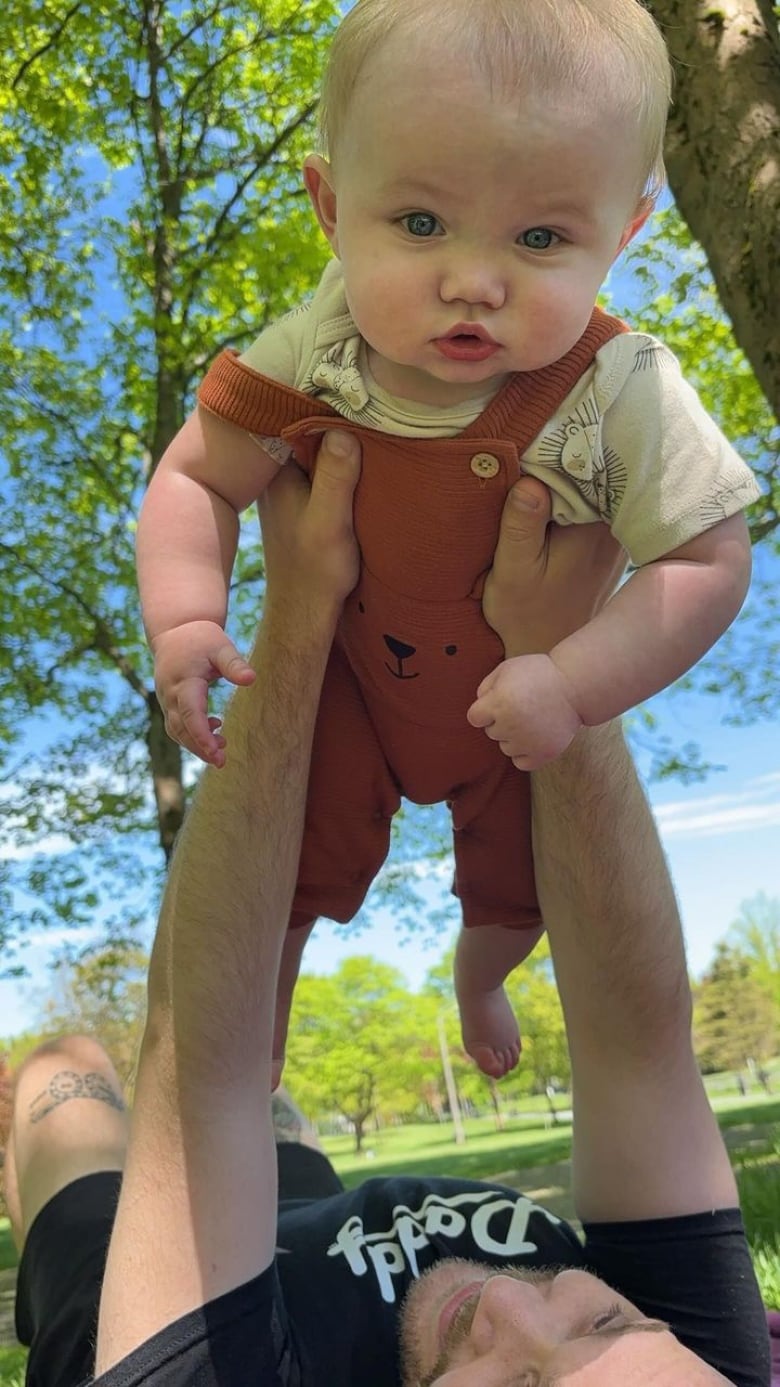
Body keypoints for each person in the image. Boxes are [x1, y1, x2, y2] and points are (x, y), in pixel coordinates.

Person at [8, 434, 770, 1387]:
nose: (506, 1301)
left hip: (146, 1276)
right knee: (270, 1107)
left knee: (64, 1073)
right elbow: (641, 1049)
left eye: (519, 1383)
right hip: (320, 1204)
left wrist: (299, 608)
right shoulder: (711, 1369)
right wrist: (557, 659)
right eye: (600, 1318)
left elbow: (200, 1081)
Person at [135, 0, 760, 1084]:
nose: (475, 279)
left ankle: (481, 973)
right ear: (333, 209)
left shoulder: (620, 388)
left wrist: (571, 680)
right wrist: (189, 615)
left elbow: (709, 559)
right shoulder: (316, 346)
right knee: (283, 857)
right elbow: (196, 473)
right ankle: (245, 1063)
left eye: (539, 237)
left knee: (527, 891)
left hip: (519, 709)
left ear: (624, 233)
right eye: (420, 223)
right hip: (350, 693)